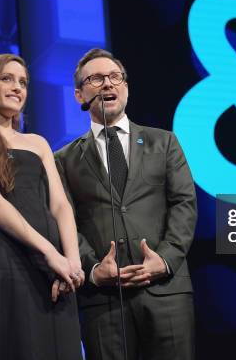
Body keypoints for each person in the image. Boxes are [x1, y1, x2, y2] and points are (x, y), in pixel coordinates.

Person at [54, 48, 197, 360]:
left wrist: (166, 259)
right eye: (96, 79)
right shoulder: (63, 160)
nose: (108, 84)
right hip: (103, 302)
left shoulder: (164, 142)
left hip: (166, 292)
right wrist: (92, 269)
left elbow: (184, 204)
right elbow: (65, 223)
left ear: (126, 87)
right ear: (80, 95)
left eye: (115, 77)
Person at [0, 54, 84, 360]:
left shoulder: (37, 142)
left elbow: (61, 205)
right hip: (8, 261)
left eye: (23, 82)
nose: (17, 87)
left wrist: (71, 262)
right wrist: (50, 254)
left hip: (56, 270)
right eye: (7, 79)